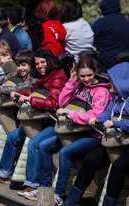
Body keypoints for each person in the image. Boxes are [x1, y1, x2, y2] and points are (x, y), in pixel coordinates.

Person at [24, 53, 111, 206]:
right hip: (73, 130)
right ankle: (45, 190)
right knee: (44, 146)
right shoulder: (79, 85)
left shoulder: (101, 91)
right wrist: (71, 81)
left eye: (89, 75)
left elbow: (96, 115)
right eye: (82, 76)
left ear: (96, 72)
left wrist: (71, 114)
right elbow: (62, 102)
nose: (85, 79)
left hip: (91, 135)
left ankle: (58, 194)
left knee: (65, 152)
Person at [0, 49, 68, 188]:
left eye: (43, 62)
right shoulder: (44, 76)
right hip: (40, 119)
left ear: (50, 61)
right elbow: (32, 91)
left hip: (52, 122)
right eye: (37, 63)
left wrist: (31, 100)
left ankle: (33, 183)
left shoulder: (58, 77)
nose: (40, 66)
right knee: (13, 137)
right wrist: (18, 93)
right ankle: (3, 174)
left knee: (34, 143)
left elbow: (54, 103)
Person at [63, 61, 129, 206]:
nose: (110, 84)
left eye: (112, 81)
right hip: (116, 140)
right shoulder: (117, 97)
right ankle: (72, 201)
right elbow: (107, 113)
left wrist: (115, 123)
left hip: (126, 143)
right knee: (90, 160)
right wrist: (97, 119)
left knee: (118, 167)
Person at [91, 0, 129, 74]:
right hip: (126, 69)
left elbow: (88, 38)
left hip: (107, 70)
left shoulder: (100, 23)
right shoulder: (127, 22)